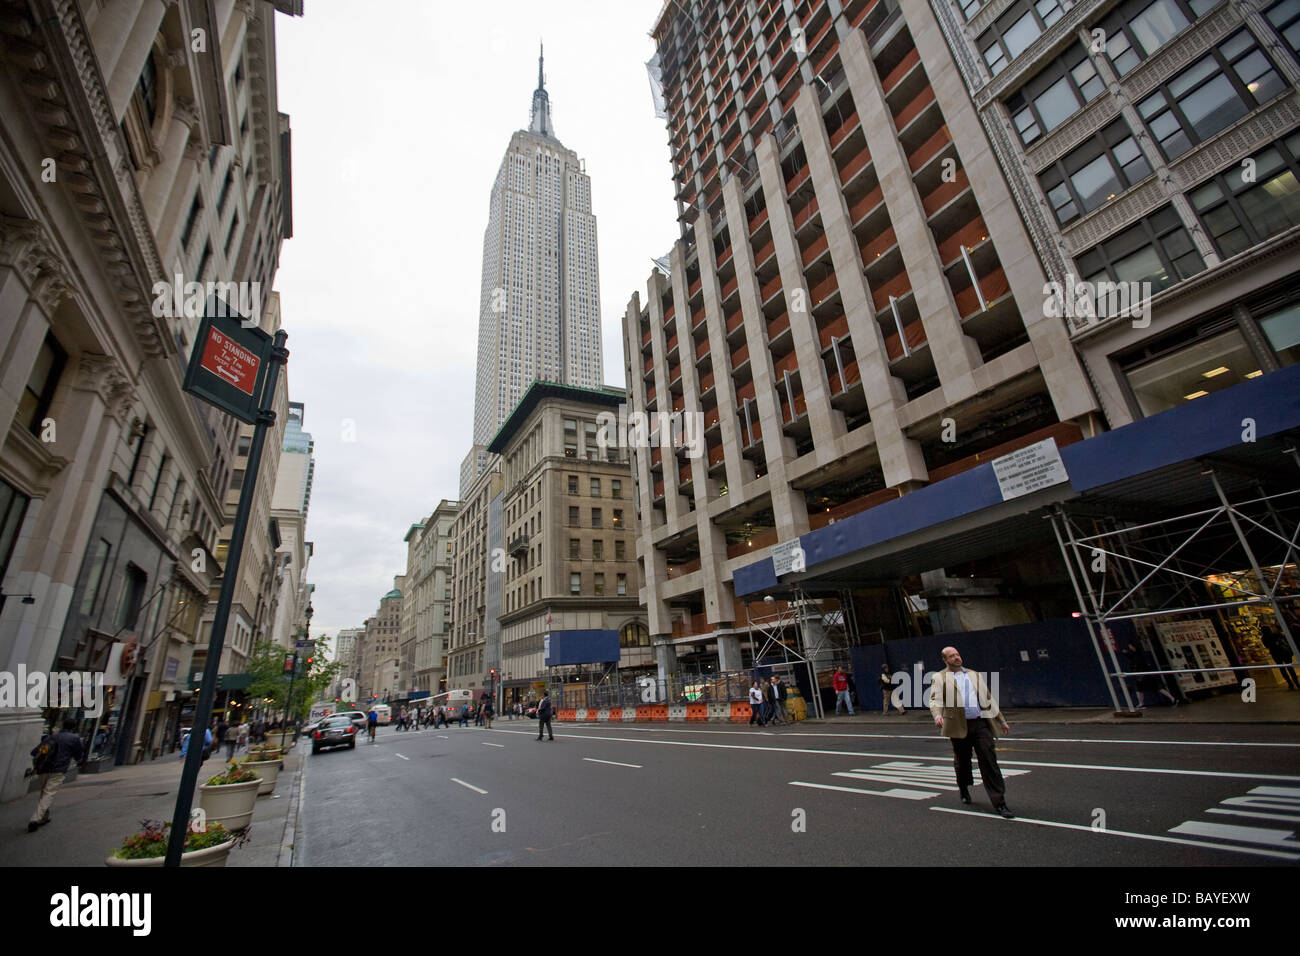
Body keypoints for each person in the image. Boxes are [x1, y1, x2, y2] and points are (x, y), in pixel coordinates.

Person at [929, 646, 1014, 819]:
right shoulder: (939, 677)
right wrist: (938, 715)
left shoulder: (974, 674)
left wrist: (1001, 720)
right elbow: (935, 699)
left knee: (989, 760)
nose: (956, 658)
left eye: (957, 654)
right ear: (945, 660)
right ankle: (963, 787)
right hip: (958, 726)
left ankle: (1000, 802)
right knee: (962, 762)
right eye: (951, 656)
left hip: (981, 724)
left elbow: (988, 698)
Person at [27, 718, 85, 833]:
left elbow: (34, 752)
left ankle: (44, 816)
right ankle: (35, 819)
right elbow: (79, 756)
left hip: (43, 769)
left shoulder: (52, 736)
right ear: (74, 727)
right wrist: (79, 761)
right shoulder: (74, 738)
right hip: (58, 770)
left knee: (45, 793)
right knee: (48, 794)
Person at [1261, 625, 1299, 690]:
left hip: (1275, 654)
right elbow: (1284, 638)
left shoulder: (1263, 638)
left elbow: (1266, 646)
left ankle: (1290, 684)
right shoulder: (1275, 635)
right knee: (1290, 668)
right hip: (1283, 652)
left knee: (1282, 669)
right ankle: (1297, 683)